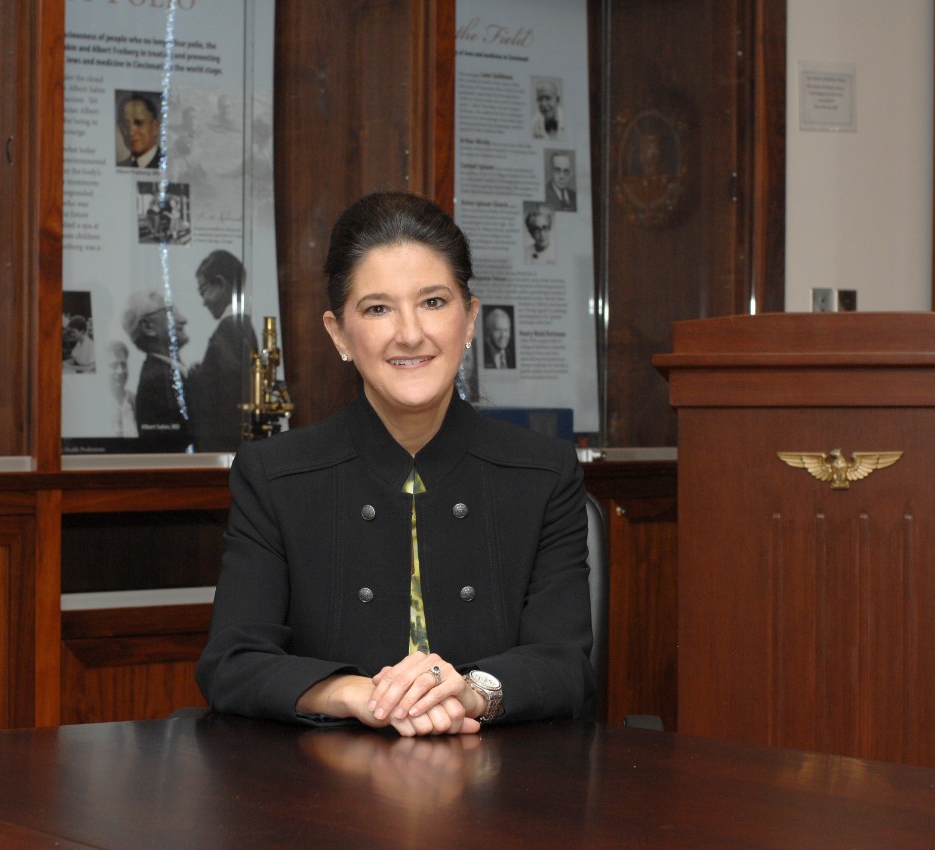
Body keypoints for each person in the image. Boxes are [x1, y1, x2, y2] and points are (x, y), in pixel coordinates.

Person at [197, 191, 593, 736]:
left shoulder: (544, 472)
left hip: (503, 790)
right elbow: (232, 664)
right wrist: (357, 694)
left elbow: (566, 666)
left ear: (470, 318)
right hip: (320, 792)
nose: (410, 333)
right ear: (339, 334)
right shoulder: (274, 475)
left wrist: (472, 692)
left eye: (433, 301)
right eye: (378, 308)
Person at [189, 250, 257, 452]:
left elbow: (231, 388)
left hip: (222, 443)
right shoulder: (243, 325)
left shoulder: (229, 327)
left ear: (220, 283)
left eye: (203, 291)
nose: (203, 301)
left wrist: (196, 378)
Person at [121, 289, 194, 451]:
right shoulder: (158, 381)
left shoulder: (164, 374)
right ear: (148, 327)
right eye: (171, 312)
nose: (183, 319)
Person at [117, 93, 163, 169]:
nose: (131, 133)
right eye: (125, 125)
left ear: (155, 127)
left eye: (139, 123)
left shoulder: (172, 166)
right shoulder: (120, 167)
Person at [106, 340, 138, 438]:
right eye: (114, 366)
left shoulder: (137, 401)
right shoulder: (95, 405)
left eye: (123, 365)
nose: (120, 371)